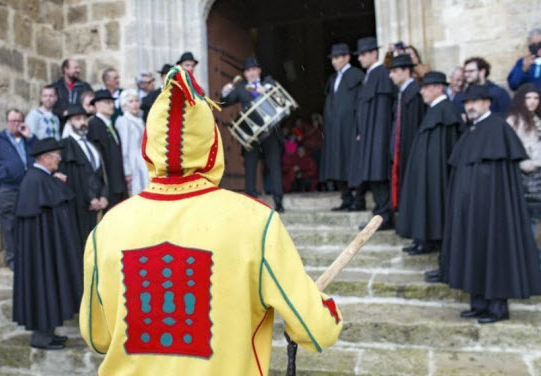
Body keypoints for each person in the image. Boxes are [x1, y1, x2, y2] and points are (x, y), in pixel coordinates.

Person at [80, 65, 342, 375]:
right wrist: (325, 309)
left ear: (148, 147)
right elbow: (316, 331)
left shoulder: (107, 228)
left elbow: (97, 337)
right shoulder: (255, 222)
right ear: (212, 145)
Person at [441, 85, 541, 324]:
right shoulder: (472, 130)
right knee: (473, 252)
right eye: (467, 102)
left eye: (475, 101)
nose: (470, 106)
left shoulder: (497, 128)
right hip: (471, 209)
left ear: (487, 102)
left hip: (493, 209)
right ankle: (478, 304)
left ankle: (497, 308)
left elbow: (499, 177)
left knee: (494, 252)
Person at [13, 137, 83, 350]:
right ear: (44, 158)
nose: (59, 159)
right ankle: (41, 336)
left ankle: (49, 332)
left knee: (49, 283)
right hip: (40, 252)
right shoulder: (35, 180)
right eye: (56, 156)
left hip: (47, 249)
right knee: (43, 283)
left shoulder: (41, 178)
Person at [395, 72, 462, 262]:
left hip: (437, 173)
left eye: (426, 87)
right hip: (428, 171)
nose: (421, 92)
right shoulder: (435, 110)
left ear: (439, 88)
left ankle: (432, 242)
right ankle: (424, 239)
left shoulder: (446, 111)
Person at [221, 57, 285, 212]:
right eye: (248, 71)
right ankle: (250, 200)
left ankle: (279, 202)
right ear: (244, 74)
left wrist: (266, 91)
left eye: (253, 70)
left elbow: (282, 100)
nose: (251, 73)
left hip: (270, 132)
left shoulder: (268, 83)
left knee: (274, 166)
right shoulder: (241, 88)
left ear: (259, 71)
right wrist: (225, 92)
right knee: (250, 166)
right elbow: (224, 103)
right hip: (251, 134)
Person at [348, 36, 395, 230]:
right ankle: (379, 214)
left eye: (364, 54)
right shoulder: (370, 75)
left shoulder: (381, 74)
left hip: (378, 136)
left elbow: (383, 112)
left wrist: (378, 137)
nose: (360, 58)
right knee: (373, 174)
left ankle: (383, 216)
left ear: (374, 53)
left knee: (379, 174)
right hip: (370, 135)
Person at [0, 109, 36, 270]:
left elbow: (41, 153)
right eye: (13, 121)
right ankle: (13, 261)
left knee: (29, 224)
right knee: (9, 226)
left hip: (27, 189)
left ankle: (29, 259)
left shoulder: (28, 140)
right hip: (7, 190)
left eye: (19, 121)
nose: (16, 124)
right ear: (7, 122)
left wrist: (31, 137)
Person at [319, 43, 365, 211]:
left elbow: (360, 104)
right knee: (337, 162)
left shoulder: (357, 75)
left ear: (347, 57)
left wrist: (360, 127)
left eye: (338, 58)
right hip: (335, 130)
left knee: (353, 162)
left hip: (350, 128)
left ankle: (358, 199)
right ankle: (345, 198)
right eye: (333, 59)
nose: (334, 62)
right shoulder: (333, 79)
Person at [59, 104, 108, 250]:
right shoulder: (65, 146)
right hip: (80, 206)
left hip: (99, 204)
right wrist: (90, 198)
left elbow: (102, 174)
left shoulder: (93, 146)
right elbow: (74, 178)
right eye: (78, 119)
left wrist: (104, 196)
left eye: (84, 119)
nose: (82, 122)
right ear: (70, 122)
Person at [388, 54, 426, 211]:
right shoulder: (402, 94)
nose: (391, 75)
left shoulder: (415, 94)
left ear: (406, 71)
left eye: (395, 71)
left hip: (410, 150)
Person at [506, 83, 541, 239]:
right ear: (521, 100)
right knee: (528, 217)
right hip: (522, 176)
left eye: (536, 98)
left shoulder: (537, 118)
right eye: (528, 98)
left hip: (538, 174)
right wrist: (524, 164)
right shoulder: (513, 120)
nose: (532, 101)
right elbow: (508, 148)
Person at [87, 89, 128, 210]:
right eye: (107, 102)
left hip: (117, 180)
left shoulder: (110, 125)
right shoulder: (95, 124)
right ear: (97, 105)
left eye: (112, 102)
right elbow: (98, 156)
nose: (112, 105)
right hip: (108, 181)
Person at [115, 89, 150, 195]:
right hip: (132, 161)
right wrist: (127, 171)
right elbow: (124, 148)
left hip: (143, 159)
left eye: (136, 101)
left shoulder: (139, 120)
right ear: (125, 104)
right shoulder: (123, 121)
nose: (134, 104)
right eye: (131, 101)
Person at [52, 58, 93, 128]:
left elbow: (92, 105)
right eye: (75, 68)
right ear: (65, 69)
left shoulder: (85, 87)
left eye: (79, 68)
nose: (78, 70)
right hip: (60, 126)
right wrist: (63, 113)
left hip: (80, 125)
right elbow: (51, 106)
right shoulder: (56, 87)